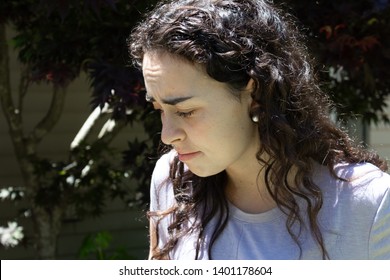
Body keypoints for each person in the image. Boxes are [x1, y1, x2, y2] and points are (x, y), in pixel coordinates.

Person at [129, 0, 390, 260]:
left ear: (254, 94)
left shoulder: (369, 203)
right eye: (159, 109)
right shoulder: (172, 179)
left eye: (186, 111)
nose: (167, 135)